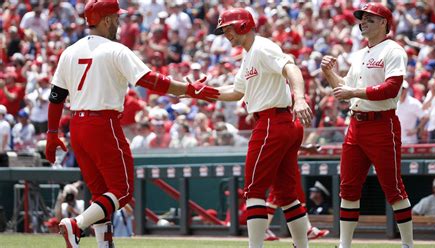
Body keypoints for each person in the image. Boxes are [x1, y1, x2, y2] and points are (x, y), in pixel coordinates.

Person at [44, 1, 219, 248]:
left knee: (100, 195)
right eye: (116, 17)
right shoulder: (116, 49)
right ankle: (77, 224)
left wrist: (52, 133)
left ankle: (104, 244)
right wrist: (189, 90)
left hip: (77, 126)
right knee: (122, 191)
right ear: (106, 20)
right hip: (103, 123)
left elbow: (56, 97)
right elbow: (149, 80)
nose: (119, 21)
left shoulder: (69, 51)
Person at [212, 8, 314, 248]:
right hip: (281, 123)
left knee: (254, 190)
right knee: (288, 196)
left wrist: (299, 98)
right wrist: (203, 93)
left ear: (244, 25)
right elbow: (237, 91)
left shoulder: (262, 47)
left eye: (229, 28)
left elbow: (292, 68)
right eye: (224, 30)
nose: (226, 34)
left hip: (271, 122)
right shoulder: (249, 54)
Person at [320, 3, 414, 248]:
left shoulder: (393, 50)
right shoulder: (360, 54)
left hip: (382, 124)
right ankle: (344, 245)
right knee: (348, 188)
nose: (363, 22)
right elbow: (345, 91)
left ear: (384, 23)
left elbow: (392, 87)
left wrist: (355, 91)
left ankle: (407, 245)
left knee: (393, 188)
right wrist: (329, 73)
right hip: (356, 125)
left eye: (370, 19)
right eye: (362, 19)